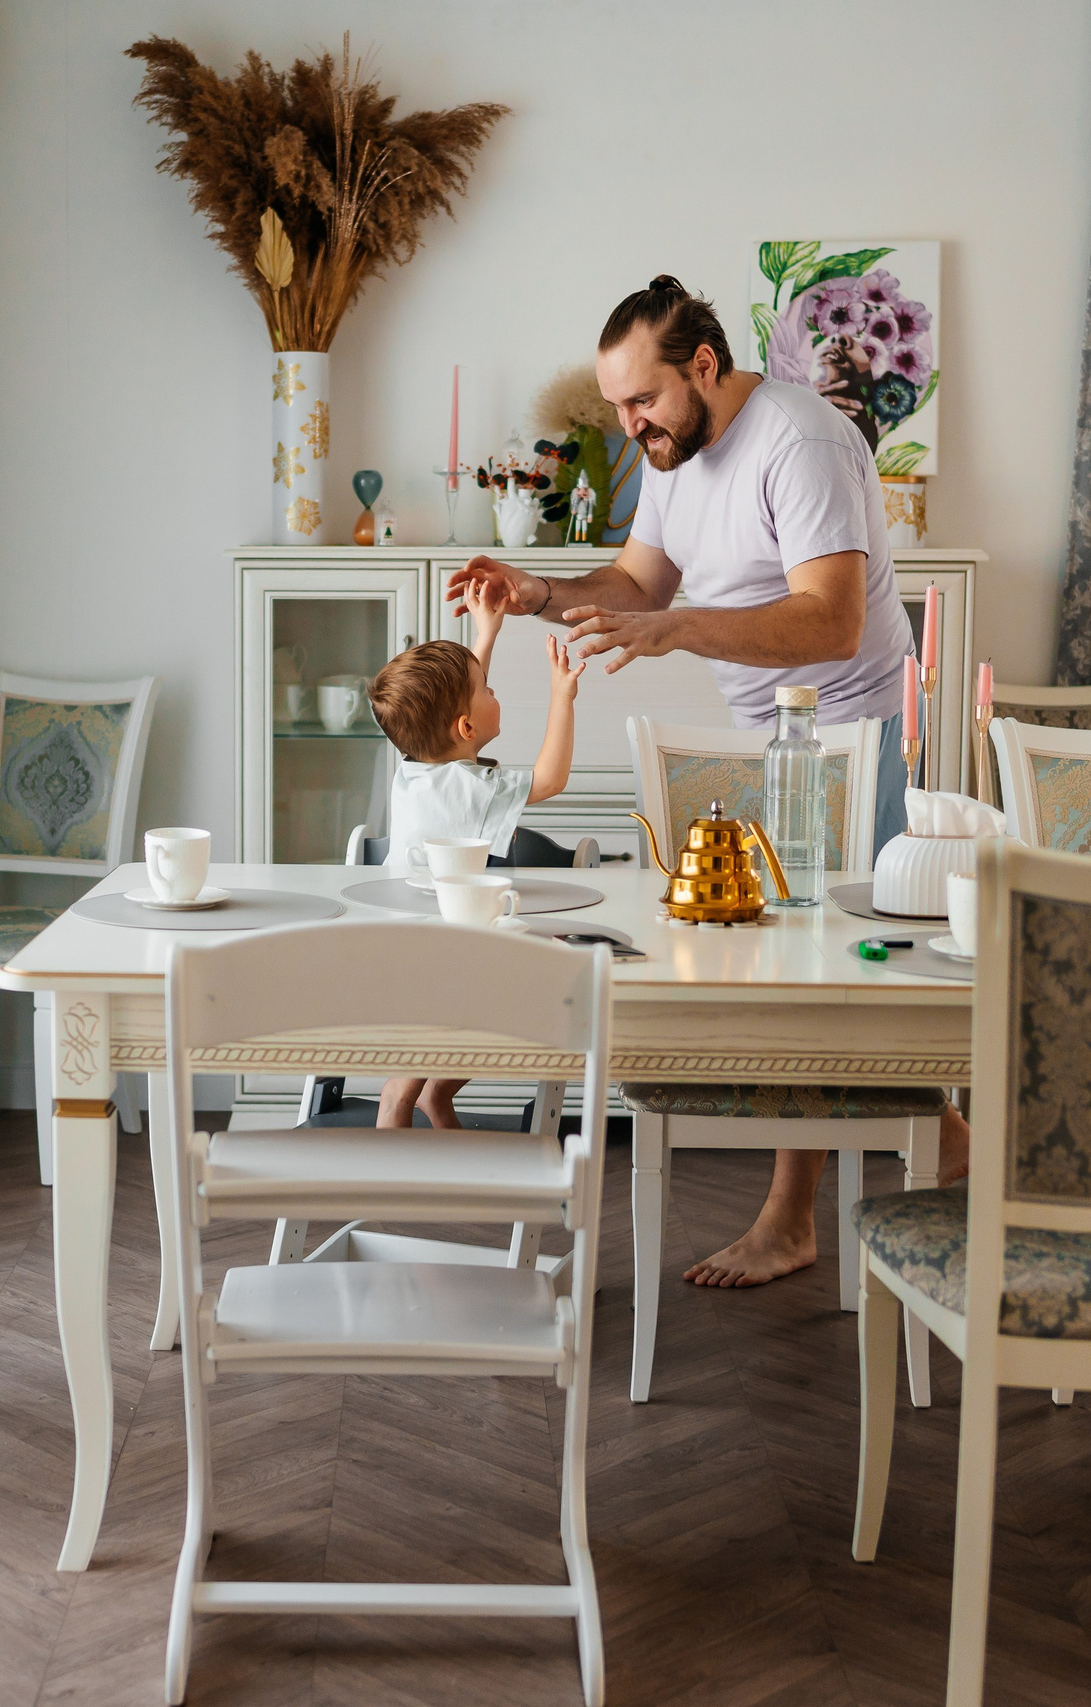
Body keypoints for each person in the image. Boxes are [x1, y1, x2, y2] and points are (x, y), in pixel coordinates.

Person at [446, 274, 971, 1288]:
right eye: (614, 406)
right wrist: (539, 591)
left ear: (702, 366)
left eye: (640, 400)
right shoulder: (673, 454)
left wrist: (677, 629)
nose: (626, 422)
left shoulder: (799, 440)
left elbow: (830, 619)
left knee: (818, 986)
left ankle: (792, 1216)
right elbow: (640, 585)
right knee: (793, 975)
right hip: (762, 734)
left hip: (848, 733)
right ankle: (946, 1142)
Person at [364, 582, 587, 1129]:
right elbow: (550, 779)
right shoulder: (474, 788)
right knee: (522, 996)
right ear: (466, 727)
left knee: (481, 1006)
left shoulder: (413, 767)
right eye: (488, 689)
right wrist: (562, 696)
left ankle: (431, 1094)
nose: (495, 693)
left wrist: (486, 634)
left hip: (401, 942)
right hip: (446, 950)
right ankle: (405, 1098)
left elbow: (451, 707)